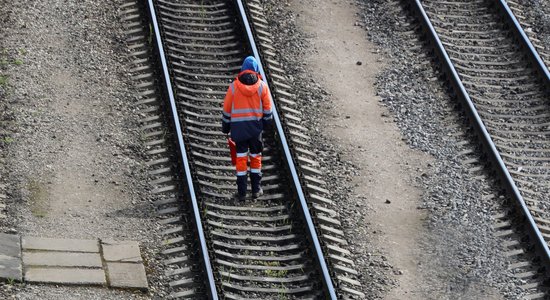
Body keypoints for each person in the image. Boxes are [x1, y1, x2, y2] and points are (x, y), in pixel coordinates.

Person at [222, 56, 273, 201]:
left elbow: (226, 110)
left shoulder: (234, 87)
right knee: (256, 157)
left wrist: (225, 127)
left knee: (241, 159)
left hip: (239, 130)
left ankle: (242, 192)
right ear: (256, 70)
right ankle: (256, 190)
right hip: (256, 130)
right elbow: (268, 111)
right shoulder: (263, 87)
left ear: (243, 69)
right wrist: (264, 125)